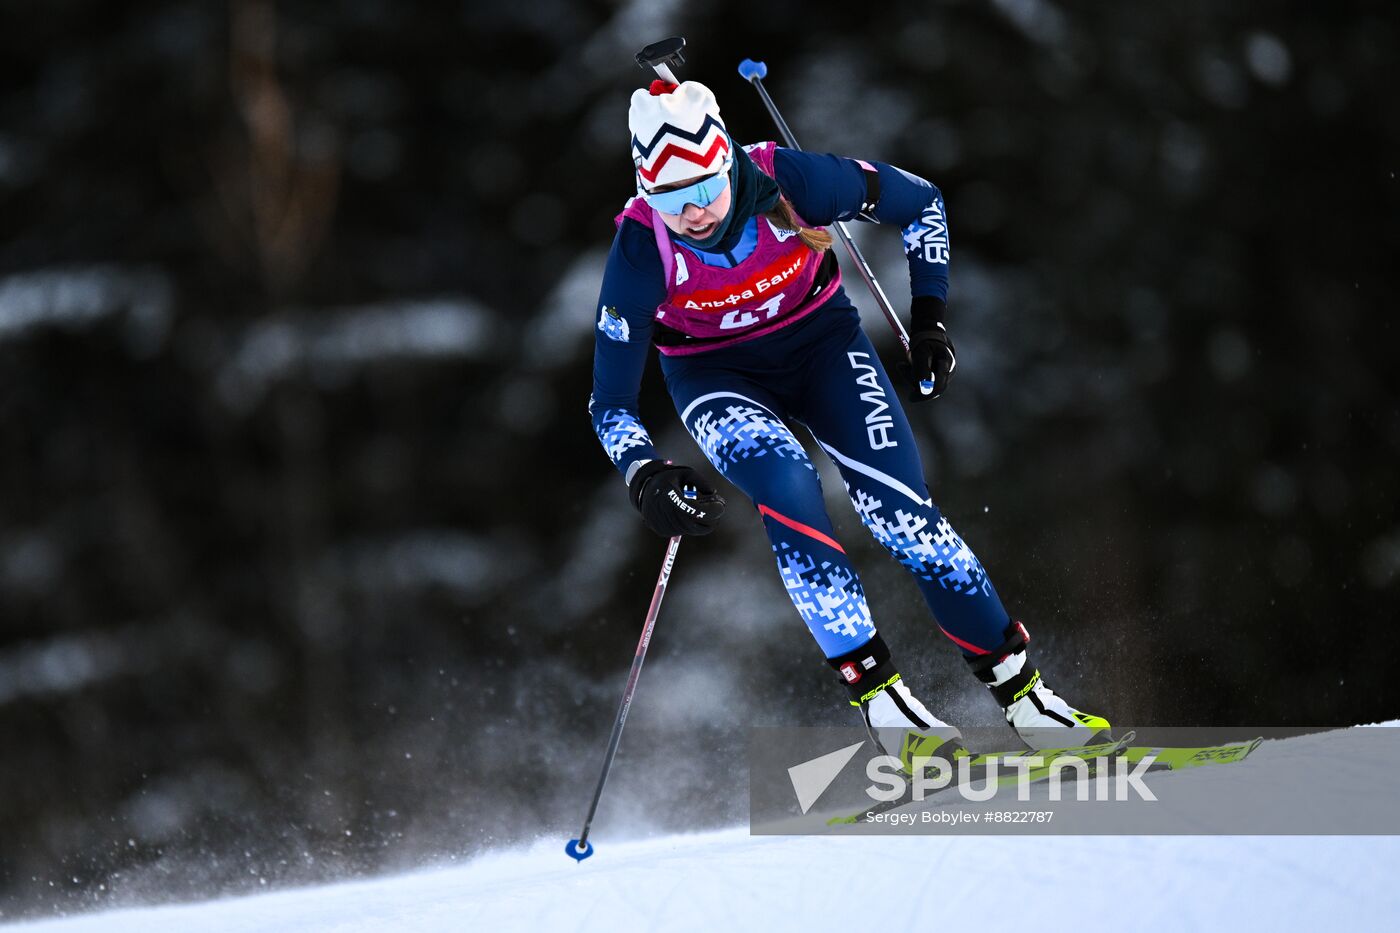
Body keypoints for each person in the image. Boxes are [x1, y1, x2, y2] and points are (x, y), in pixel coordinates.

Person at [588, 78, 1108, 760]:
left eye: (702, 190)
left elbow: (922, 202)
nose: (690, 213)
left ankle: (1029, 701)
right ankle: (894, 717)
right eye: (668, 198)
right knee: (789, 489)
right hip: (715, 377)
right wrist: (646, 474)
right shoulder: (639, 247)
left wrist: (928, 320)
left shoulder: (793, 178)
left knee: (906, 517)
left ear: (728, 160)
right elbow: (610, 403)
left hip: (824, 348)